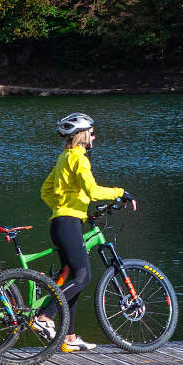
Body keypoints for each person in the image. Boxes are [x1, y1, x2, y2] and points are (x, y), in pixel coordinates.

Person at [37, 111, 136, 352]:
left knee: (73, 278)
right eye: (92, 133)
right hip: (68, 223)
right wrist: (120, 192)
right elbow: (92, 191)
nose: (94, 137)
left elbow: (45, 190)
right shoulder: (79, 159)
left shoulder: (64, 157)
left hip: (61, 222)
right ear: (82, 135)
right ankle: (44, 317)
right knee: (83, 277)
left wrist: (69, 207)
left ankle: (68, 336)